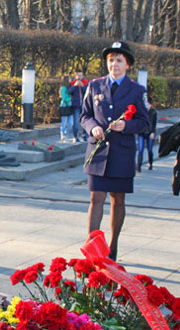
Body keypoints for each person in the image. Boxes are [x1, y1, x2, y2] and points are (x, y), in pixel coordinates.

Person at [81, 41, 149, 261]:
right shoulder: (95, 85)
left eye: (119, 60)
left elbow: (145, 123)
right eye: (111, 60)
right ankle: (92, 245)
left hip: (122, 153)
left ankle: (114, 244)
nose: (114, 64)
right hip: (99, 152)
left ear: (127, 64)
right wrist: (94, 128)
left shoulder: (137, 90)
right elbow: (85, 115)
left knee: (117, 199)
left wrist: (127, 126)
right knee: (96, 197)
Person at [137, 95, 157, 172]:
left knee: (150, 149)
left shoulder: (153, 112)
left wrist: (153, 132)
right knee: (140, 149)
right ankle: (139, 166)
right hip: (142, 132)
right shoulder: (142, 111)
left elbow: (154, 123)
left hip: (149, 132)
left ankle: (150, 163)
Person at [69, 69, 88, 142]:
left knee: (85, 121)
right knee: (76, 122)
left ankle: (84, 135)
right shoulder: (72, 83)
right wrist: (74, 86)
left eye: (80, 75)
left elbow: (88, 92)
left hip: (84, 105)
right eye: (77, 75)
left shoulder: (86, 83)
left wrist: (83, 86)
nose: (79, 77)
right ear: (75, 76)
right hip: (76, 105)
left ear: (82, 76)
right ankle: (75, 136)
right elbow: (69, 91)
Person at [59, 76, 73, 142]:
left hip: (70, 106)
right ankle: (63, 135)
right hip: (64, 106)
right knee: (64, 122)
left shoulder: (70, 87)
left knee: (71, 122)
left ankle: (66, 134)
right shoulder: (64, 88)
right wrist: (71, 99)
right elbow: (64, 98)